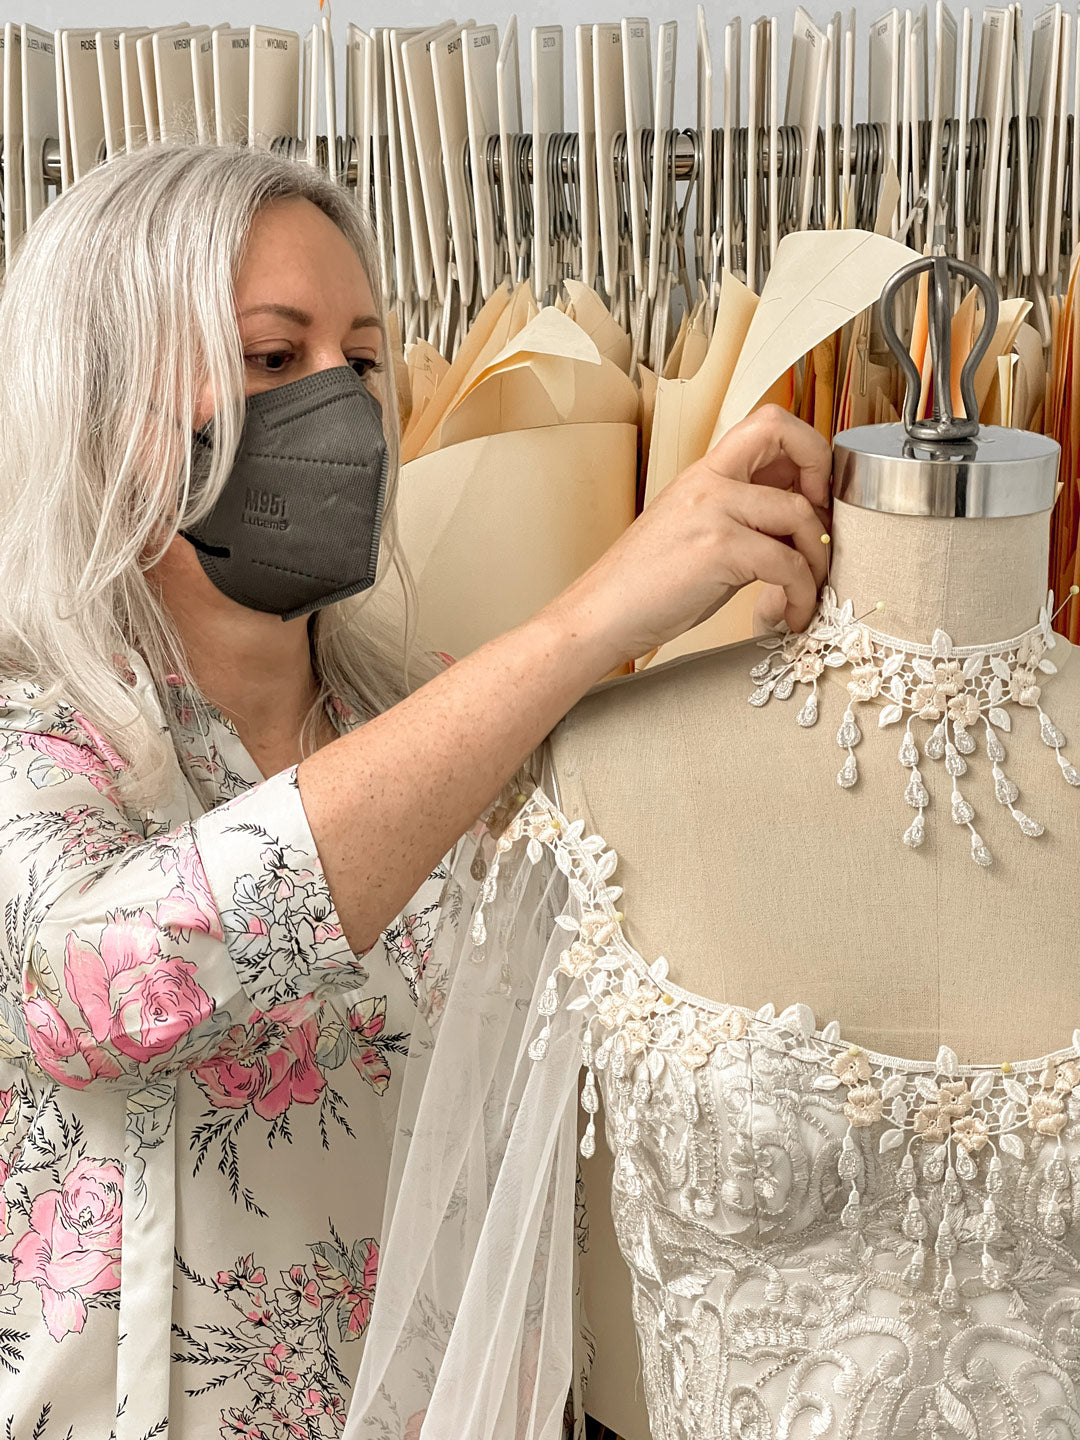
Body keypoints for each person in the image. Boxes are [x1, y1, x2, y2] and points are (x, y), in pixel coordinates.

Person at [0, 142, 831, 1438]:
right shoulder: (32, 730)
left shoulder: (418, 723)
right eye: (275, 358)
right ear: (103, 398)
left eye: (366, 359)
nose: (342, 400)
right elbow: (99, 985)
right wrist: (584, 623)